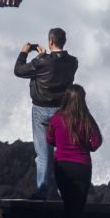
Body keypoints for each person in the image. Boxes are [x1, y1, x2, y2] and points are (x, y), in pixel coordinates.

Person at [14, 28, 78, 199]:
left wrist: (25, 53)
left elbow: (19, 70)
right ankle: (64, 191)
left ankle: (42, 192)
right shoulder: (73, 62)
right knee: (62, 153)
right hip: (64, 111)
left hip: (41, 111)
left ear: (50, 42)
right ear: (63, 42)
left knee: (43, 155)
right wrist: (43, 58)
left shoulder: (43, 62)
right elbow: (56, 65)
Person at [45, 84, 102, 218]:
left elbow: (49, 139)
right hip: (82, 165)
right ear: (82, 100)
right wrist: (85, 147)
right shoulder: (86, 119)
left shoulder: (57, 118)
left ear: (66, 98)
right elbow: (96, 142)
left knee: (68, 200)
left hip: (62, 164)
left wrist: (61, 143)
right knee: (78, 203)